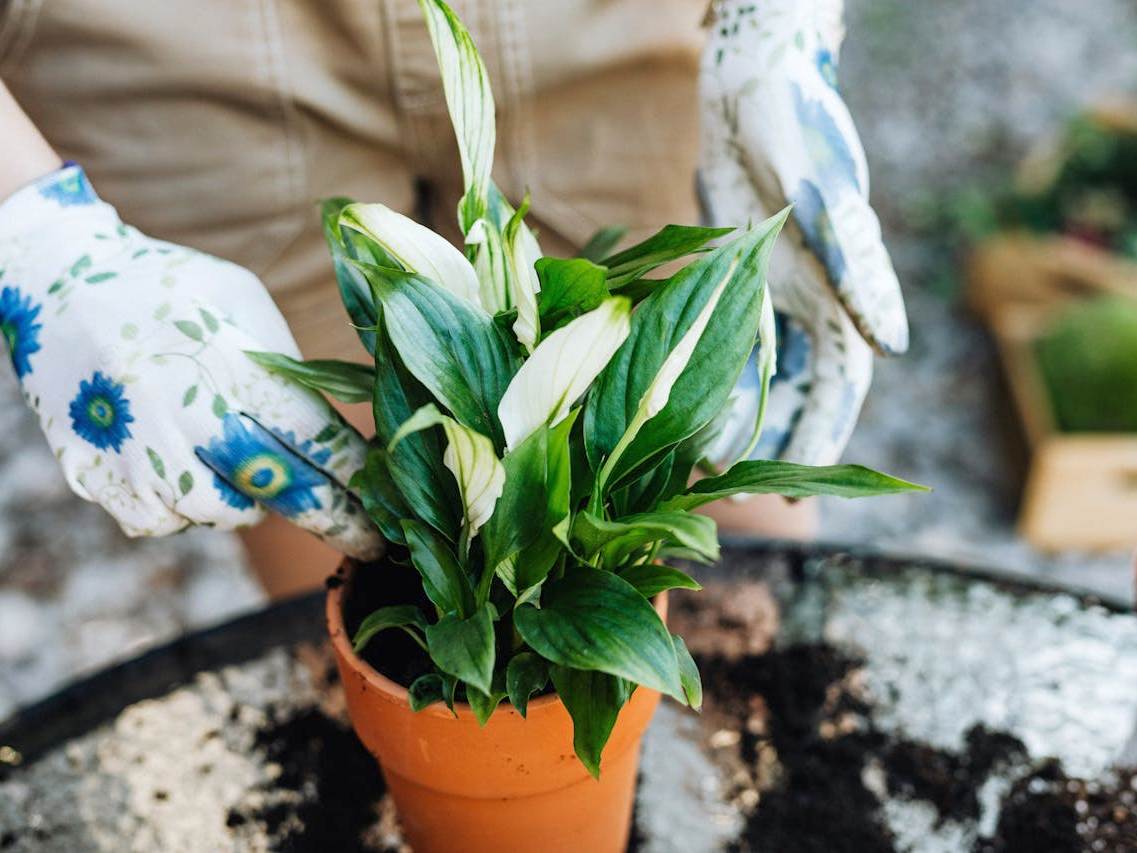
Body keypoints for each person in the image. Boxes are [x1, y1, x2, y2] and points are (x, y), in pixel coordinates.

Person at [0, 0, 905, 597]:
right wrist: (32, 227)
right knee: (356, 554)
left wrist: (778, 19)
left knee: (724, 561)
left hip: (598, 22)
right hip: (165, 41)